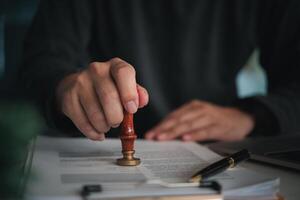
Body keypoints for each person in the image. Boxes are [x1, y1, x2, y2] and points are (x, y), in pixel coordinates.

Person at [20, 0, 300, 142]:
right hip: (100, 146)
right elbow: (40, 62)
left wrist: (252, 117)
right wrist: (65, 87)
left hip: (218, 148)